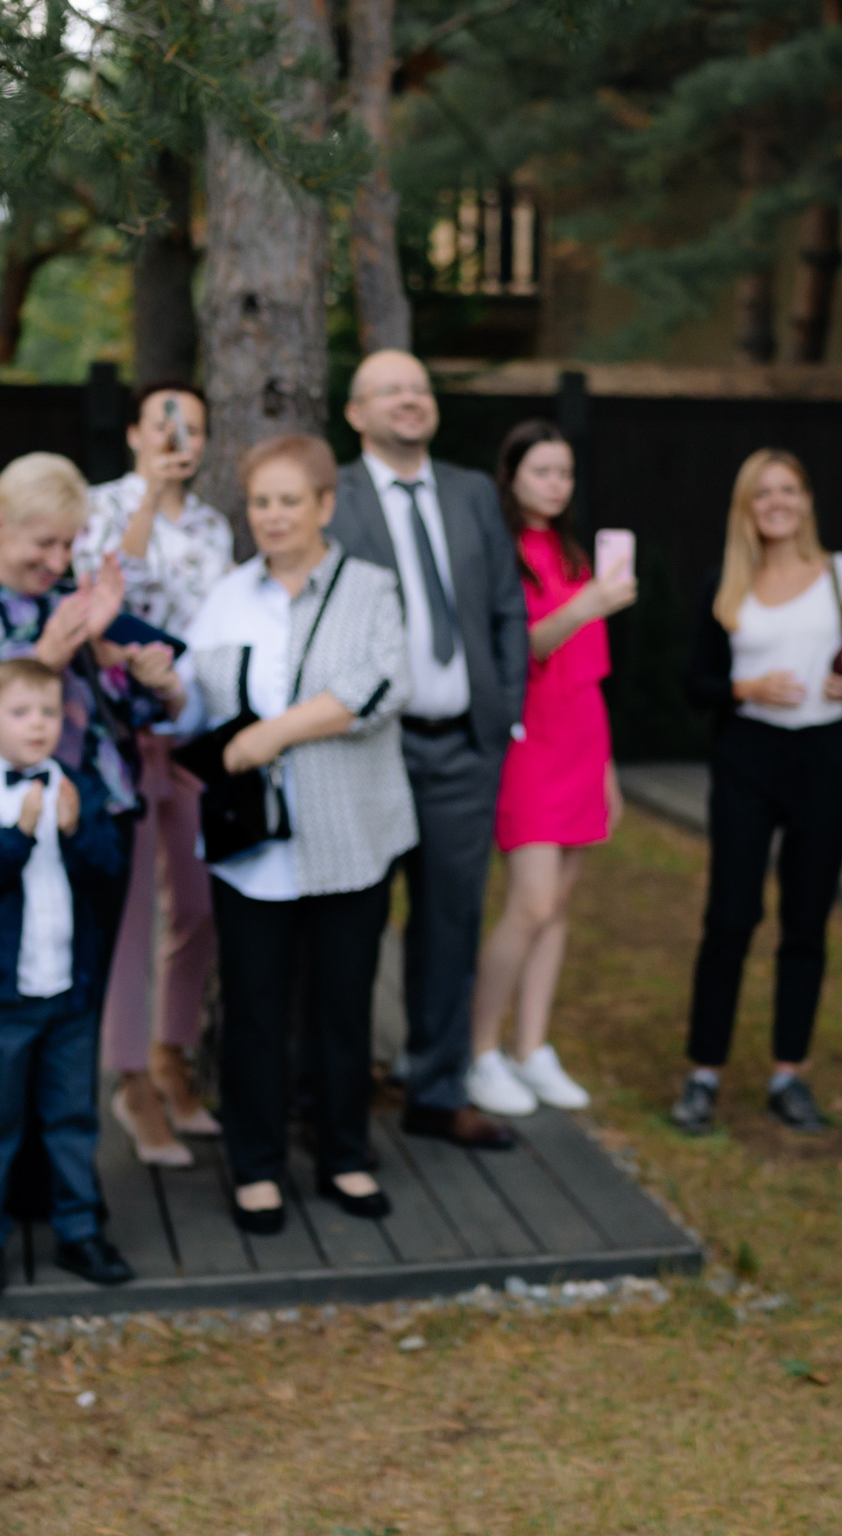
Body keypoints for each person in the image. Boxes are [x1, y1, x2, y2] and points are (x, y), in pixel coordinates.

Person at [0, 452, 182, 1248]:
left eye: (68, 546)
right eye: (42, 545)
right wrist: (45, 653)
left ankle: (37, 1185)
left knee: (69, 1004)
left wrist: (151, 673)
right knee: (3, 1010)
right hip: (4, 826)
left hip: (97, 819)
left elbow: (133, 703)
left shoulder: (79, 601)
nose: (56, 562)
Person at [174, 434, 415, 1232]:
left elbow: (376, 685)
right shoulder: (228, 595)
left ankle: (344, 1155)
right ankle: (256, 1165)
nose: (272, 516)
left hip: (349, 837)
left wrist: (273, 734)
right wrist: (158, 684)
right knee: (252, 1008)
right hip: (253, 850)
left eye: (289, 500)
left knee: (341, 1007)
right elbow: (195, 701)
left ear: (324, 504)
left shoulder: (371, 588)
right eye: (261, 502)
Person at [327, 350, 527, 1153]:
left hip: (462, 752)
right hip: (367, 750)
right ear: (356, 412)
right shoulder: (331, 499)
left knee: (450, 923)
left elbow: (507, 609)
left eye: (420, 388)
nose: (411, 400)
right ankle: (335, 1095)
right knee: (351, 923)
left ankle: (436, 1088)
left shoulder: (474, 491)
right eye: (391, 390)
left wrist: (503, 709)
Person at [672, 449, 842, 1135]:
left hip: (825, 756)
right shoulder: (726, 583)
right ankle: (704, 1072)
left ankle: (787, 1074)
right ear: (747, 505)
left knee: (806, 919)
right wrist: (746, 688)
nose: (777, 502)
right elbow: (692, 683)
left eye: (788, 489)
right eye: (763, 492)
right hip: (747, 755)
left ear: (805, 500)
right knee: (731, 916)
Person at [0, 658, 137, 1298]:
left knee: (72, 1118)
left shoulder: (79, 786)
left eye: (49, 712)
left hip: (70, 991)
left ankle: (78, 1231)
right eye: (22, 713)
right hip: (3, 996)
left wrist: (76, 829)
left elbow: (107, 870)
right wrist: (20, 834)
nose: (38, 725)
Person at [73, 381, 231, 1168]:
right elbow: (106, 595)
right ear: (135, 431)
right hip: (122, 736)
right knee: (131, 913)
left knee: (197, 906)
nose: (180, 437)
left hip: (193, 731)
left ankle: (173, 1052)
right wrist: (150, 500)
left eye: (193, 427)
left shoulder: (214, 525)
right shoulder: (101, 505)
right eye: (166, 423)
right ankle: (130, 1077)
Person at [465, 421, 634, 1117]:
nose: (555, 485)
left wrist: (608, 768)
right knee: (530, 902)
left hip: (580, 737)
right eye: (541, 472)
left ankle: (532, 1046)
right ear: (511, 476)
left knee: (559, 905)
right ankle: (479, 1050)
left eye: (564, 473)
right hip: (528, 740)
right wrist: (586, 603)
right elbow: (526, 643)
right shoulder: (500, 549)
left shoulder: (569, 549)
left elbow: (588, 670)